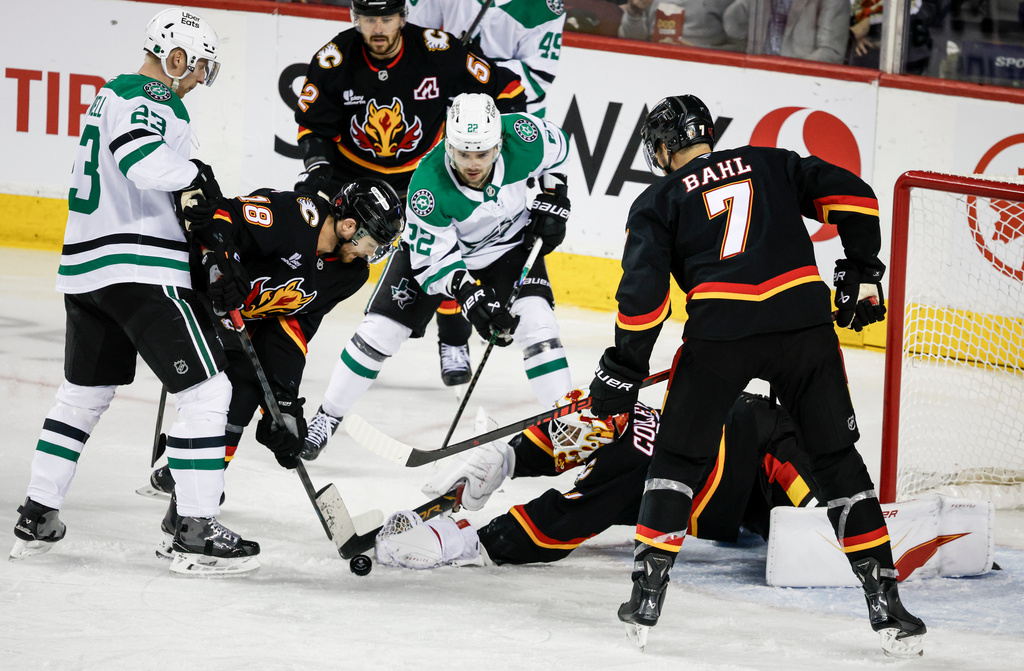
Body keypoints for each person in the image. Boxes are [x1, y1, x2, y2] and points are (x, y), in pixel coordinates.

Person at [587, 94, 926, 657]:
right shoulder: (771, 161)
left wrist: (623, 368)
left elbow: (643, 302)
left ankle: (647, 594)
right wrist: (863, 272)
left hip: (720, 335)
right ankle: (886, 603)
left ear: (666, 148)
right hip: (803, 325)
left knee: (677, 460)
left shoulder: (659, 199)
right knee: (837, 460)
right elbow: (857, 199)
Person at [9, 8, 262, 576]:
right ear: (174, 58)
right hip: (141, 268)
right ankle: (194, 532)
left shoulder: (108, 96)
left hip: (88, 272)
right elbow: (141, 158)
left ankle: (38, 511)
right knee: (207, 392)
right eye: (197, 67)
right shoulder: (147, 98)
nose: (198, 79)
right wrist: (195, 174)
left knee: (82, 396)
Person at [303, 92, 574, 460]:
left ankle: (566, 422)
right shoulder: (428, 188)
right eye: (463, 153)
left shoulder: (523, 136)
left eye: (482, 153)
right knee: (378, 333)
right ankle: (327, 416)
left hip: (509, 248)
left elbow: (558, 153)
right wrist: (472, 300)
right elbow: (436, 265)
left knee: (539, 328)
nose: (473, 164)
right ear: (449, 145)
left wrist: (556, 194)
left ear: (499, 143)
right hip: (439, 257)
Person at [141, 180, 405, 555]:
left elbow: (295, 324)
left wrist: (283, 400)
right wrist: (224, 265)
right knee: (227, 388)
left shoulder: (351, 273)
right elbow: (222, 216)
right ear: (349, 227)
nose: (374, 253)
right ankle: (190, 480)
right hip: (195, 295)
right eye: (373, 242)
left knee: (248, 390)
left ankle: (187, 501)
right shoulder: (297, 216)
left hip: (241, 320)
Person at [293, 0, 528, 388]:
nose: (379, 28)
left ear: (403, 17)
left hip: (425, 175)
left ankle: (453, 339)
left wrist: (499, 142)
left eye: (386, 18)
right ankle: (289, 325)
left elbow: (506, 88)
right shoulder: (334, 59)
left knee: (447, 250)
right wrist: (318, 169)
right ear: (356, 19)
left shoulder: (437, 50)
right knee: (324, 253)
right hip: (355, 183)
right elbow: (313, 127)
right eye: (369, 19)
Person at [373, 391, 821, 568]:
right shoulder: (787, 440)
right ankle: (485, 516)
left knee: (614, 441)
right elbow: (821, 513)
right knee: (622, 459)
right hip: (705, 462)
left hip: (709, 477)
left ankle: (502, 462)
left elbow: (814, 513)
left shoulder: (788, 443)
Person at [406, 0, 567, 388]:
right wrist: (446, 63)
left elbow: (537, 76)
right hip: (446, 114)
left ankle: (452, 339)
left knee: (479, 231)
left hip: (506, 118)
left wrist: (473, 68)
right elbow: (416, 38)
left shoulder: (545, 6)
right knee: (442, 236)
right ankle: (453, 337)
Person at [723, 0, 850, 64]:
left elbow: (831, 52)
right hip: (756, 75)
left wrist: (788, 73)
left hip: (805, 86)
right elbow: (732, 27)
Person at [618, 0, 744, 50]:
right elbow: (630, 39)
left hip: (705, 71)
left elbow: (743, 48)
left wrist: (700, 51)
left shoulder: (728, 3)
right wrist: (634, 12)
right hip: (652, 64)